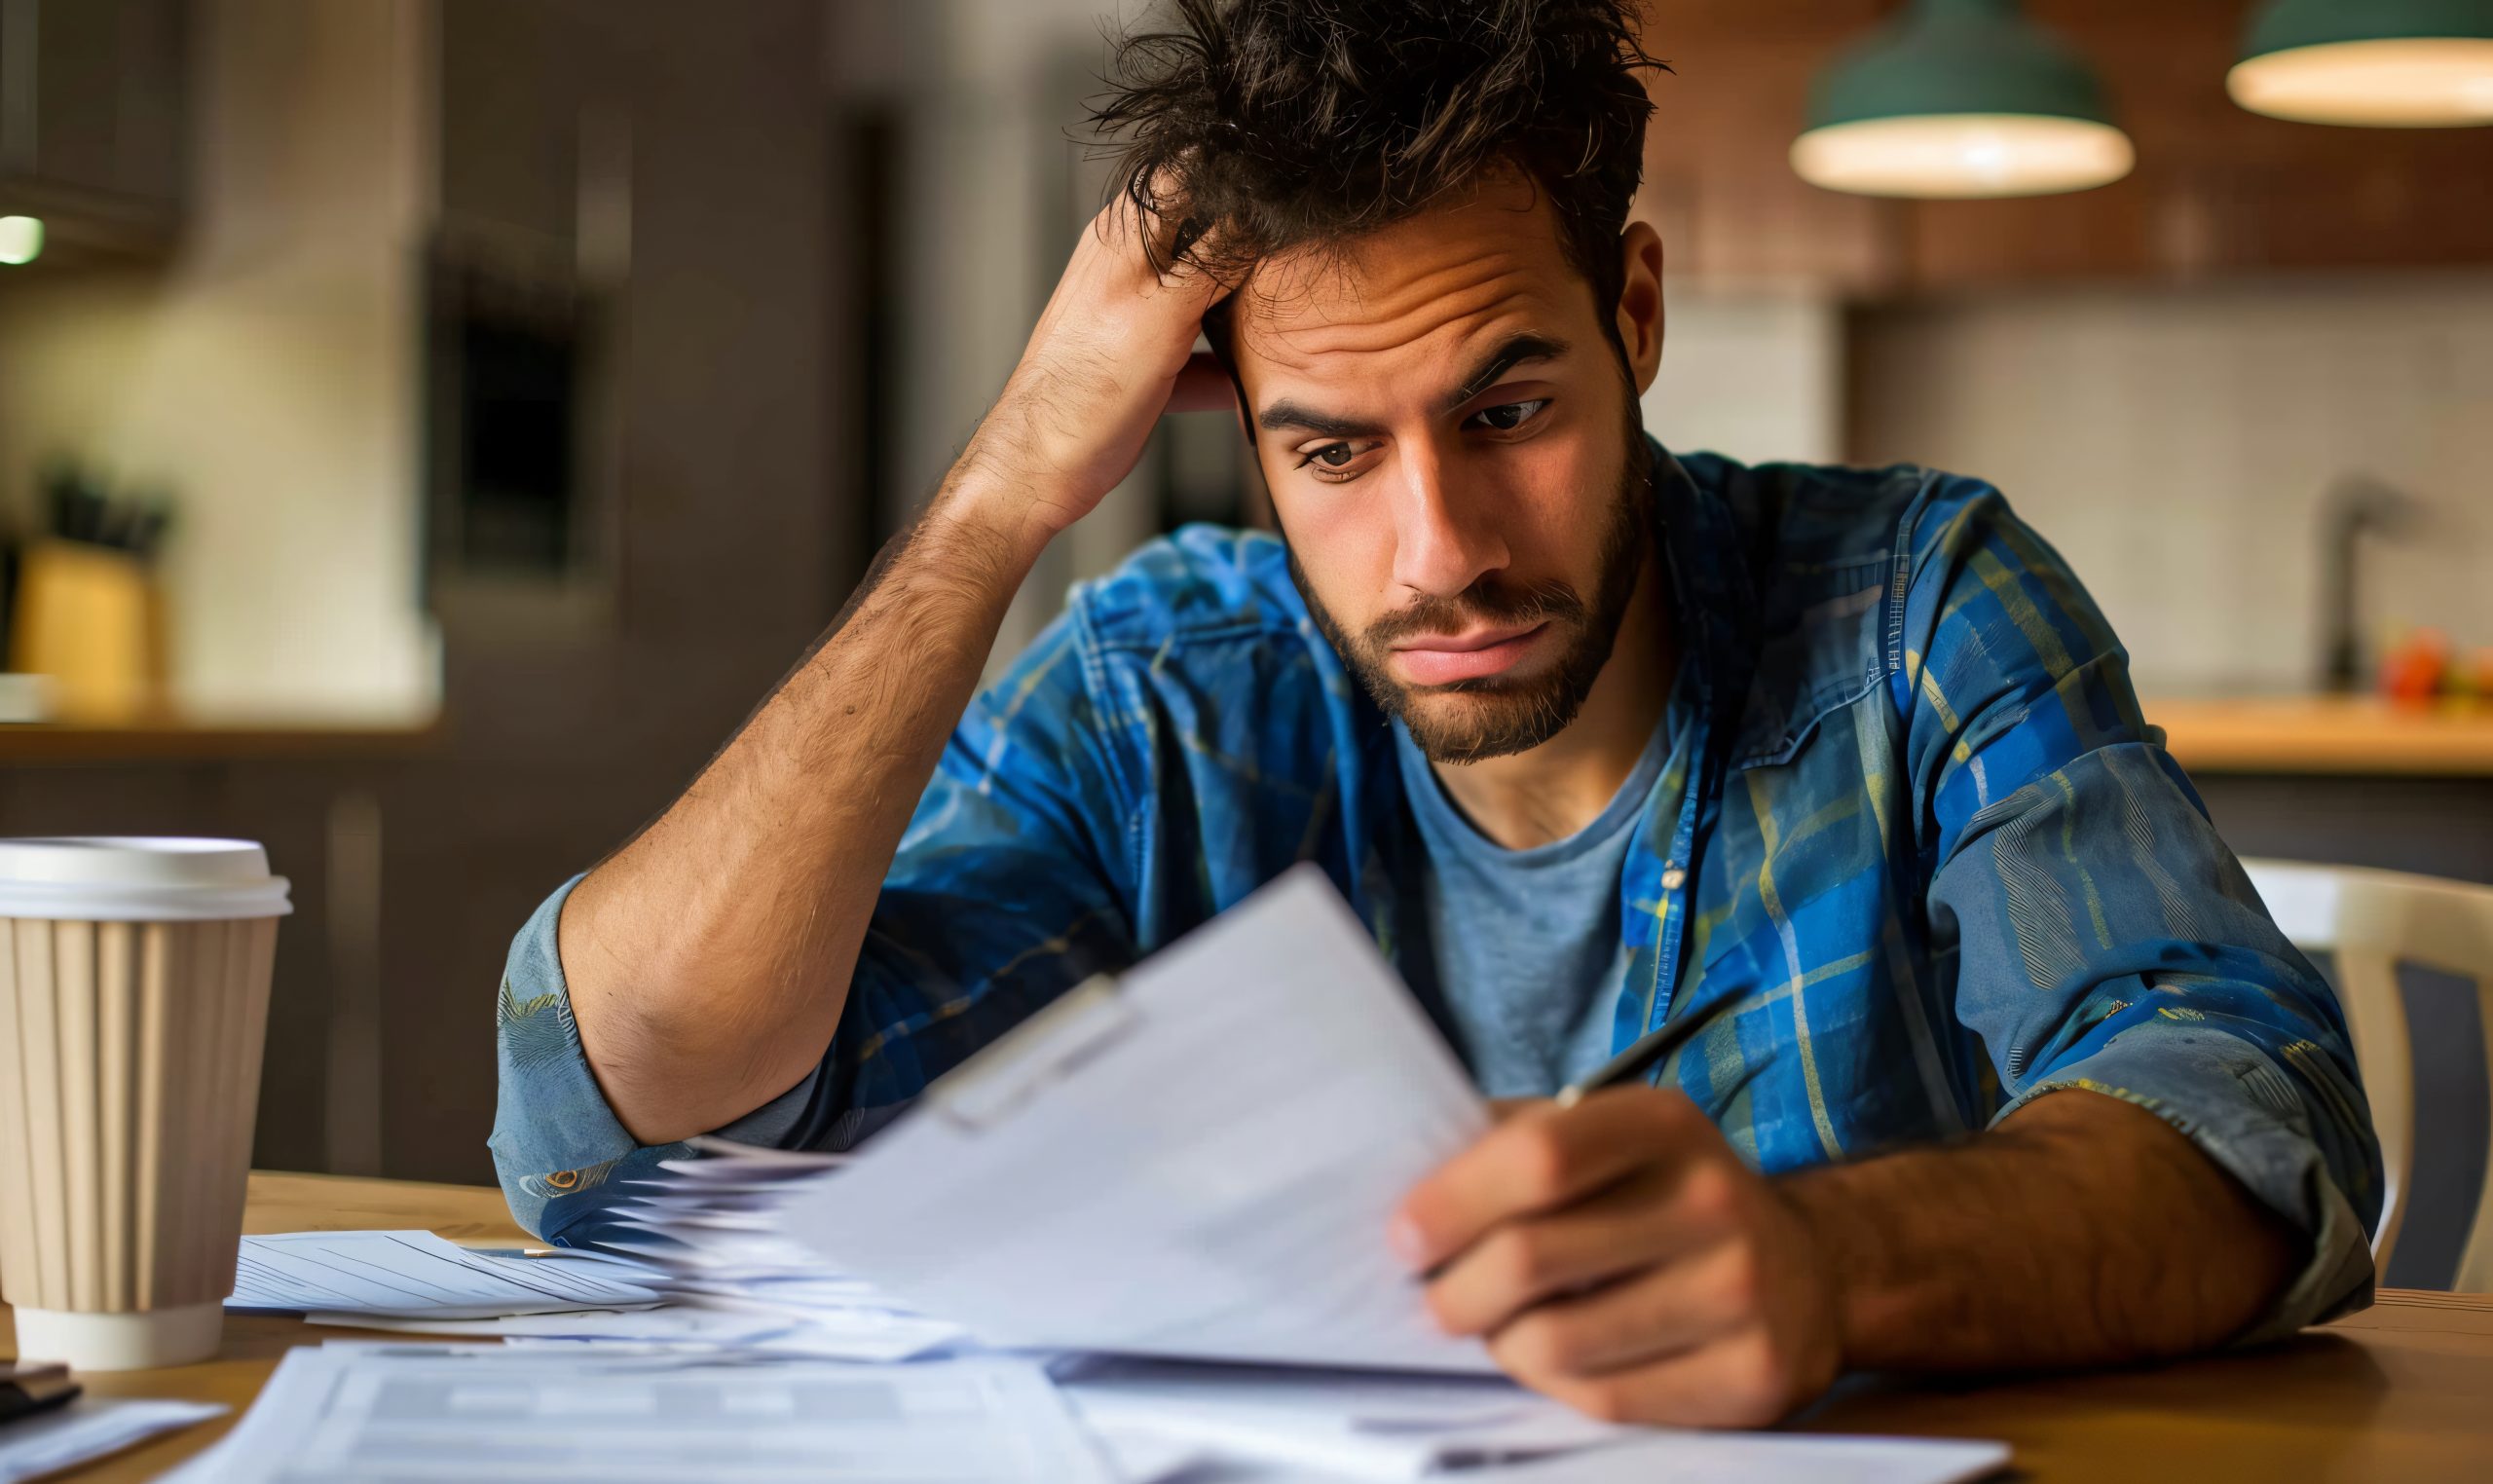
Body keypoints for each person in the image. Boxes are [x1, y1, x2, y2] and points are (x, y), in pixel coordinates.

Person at [491, 0, 2379, 1427]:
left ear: (1629, 315)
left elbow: (2239, 1124)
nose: (1440, 552)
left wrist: (1826, 1262)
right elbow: (634, 1121)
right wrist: (997, 499)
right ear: (1228, 421)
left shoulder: (1908, 606)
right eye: (1329, 447)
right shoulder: (1164, 692)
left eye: (1505, 413)